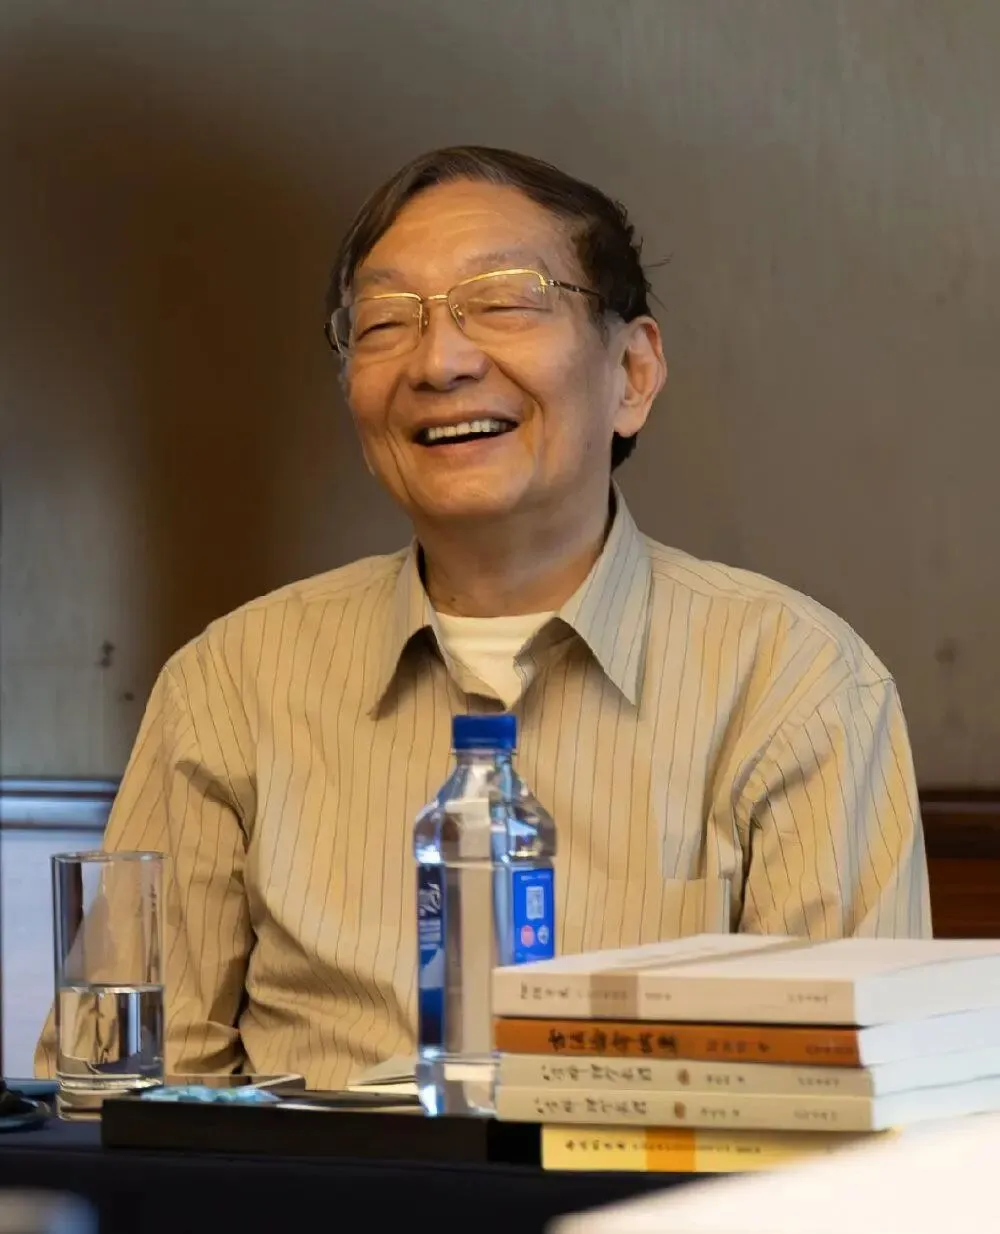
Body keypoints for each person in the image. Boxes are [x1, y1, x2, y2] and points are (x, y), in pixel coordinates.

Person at [36, 146, 931, 1090]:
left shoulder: (795, 680)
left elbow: (850, 1105)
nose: (440, 361)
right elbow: (119, 1102)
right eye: (386, 321)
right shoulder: (231, 682)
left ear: (632, 373)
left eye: (503, 301)